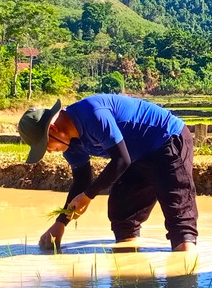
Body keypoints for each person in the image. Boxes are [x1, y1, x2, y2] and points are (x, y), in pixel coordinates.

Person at [18, 95, 198, 253]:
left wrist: (88, 196)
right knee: (122, 214)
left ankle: (184, 282)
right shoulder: (70, 145)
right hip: (136, 155)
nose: (49, 152)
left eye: (46, 146)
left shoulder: (92, 114)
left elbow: (121, 161)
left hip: (166, 140)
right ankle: (131, 277)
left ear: (53, 129)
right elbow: (82, 181)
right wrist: (60, 224)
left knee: (179, 218)